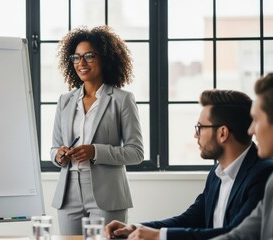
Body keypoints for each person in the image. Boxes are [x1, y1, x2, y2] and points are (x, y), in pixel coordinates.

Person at [105, 89, 273, 240]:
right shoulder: (216, 173)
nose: (195, 135)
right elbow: (190, 219)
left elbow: (235, 233)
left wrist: (160, 236)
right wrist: (135, 228)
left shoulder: (263, 174)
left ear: (222, 133)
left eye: (200, 127)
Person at [50, 25, 144, 235]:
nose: (81, 63)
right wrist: (59, 155)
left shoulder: (122, 100)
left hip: (107, 194)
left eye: (89, 56)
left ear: (104, 58)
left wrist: (95, 152)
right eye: (76, 57)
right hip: (68, 193)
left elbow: (136, 152)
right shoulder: (65, 101)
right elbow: (54, 148)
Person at [212, 73, 273, 239]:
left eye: (256, 120)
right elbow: (239, 235)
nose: (251, 130)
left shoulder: (264, 173)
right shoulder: (272, 183)